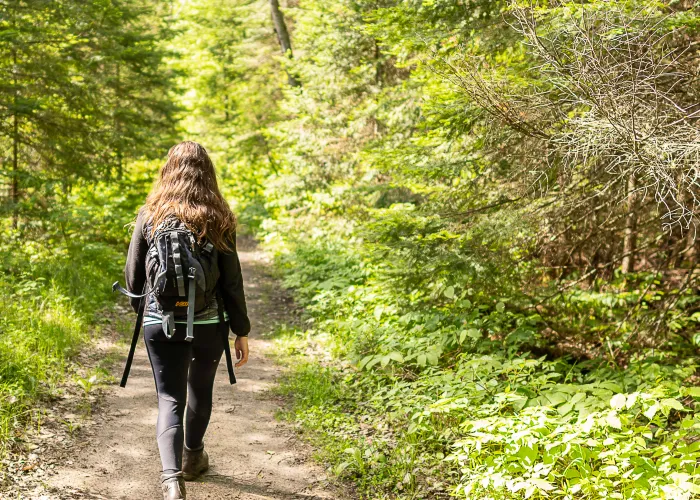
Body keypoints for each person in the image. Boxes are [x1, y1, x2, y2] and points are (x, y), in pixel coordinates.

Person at [123, 141, 250, 500]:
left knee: (169, 397)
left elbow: (134, 281)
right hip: (209, 324)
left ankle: (171, 482)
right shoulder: (219, 216)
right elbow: (232, 281)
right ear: (207, 173)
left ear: (168, 170)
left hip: (159, 321)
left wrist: (150, 318)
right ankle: (193, 458)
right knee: (200, 390)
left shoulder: (150, 215)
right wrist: (241, 330)